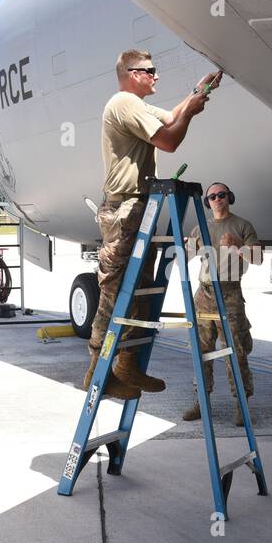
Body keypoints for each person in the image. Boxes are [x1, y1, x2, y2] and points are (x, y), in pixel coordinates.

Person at [86, 50, 221, 399]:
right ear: (132, 74)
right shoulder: (124, 103)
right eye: (150, 71)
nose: (156, 76)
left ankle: (127, 363)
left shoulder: (139, 107)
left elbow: (172, 117)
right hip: (124, 209)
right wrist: (191, 112)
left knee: (140, 285)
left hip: (139, 208)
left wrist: (197, 92)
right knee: (115, 292)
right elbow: (170, 140)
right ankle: (96, 370)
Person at [182, 182, 261, 425]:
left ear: (230, 197)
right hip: (204, 294)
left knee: (235, 351)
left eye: (221, 194)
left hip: (230, 294)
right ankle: (201, 403)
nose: (217, 199)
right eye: (212, 196)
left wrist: (238, 245)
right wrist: (187, 246)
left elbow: (257, 258)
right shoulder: (201, 228)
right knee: (201, 350)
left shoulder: (242, 226)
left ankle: (241, 405)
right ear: (208, 202)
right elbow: (184, 257)